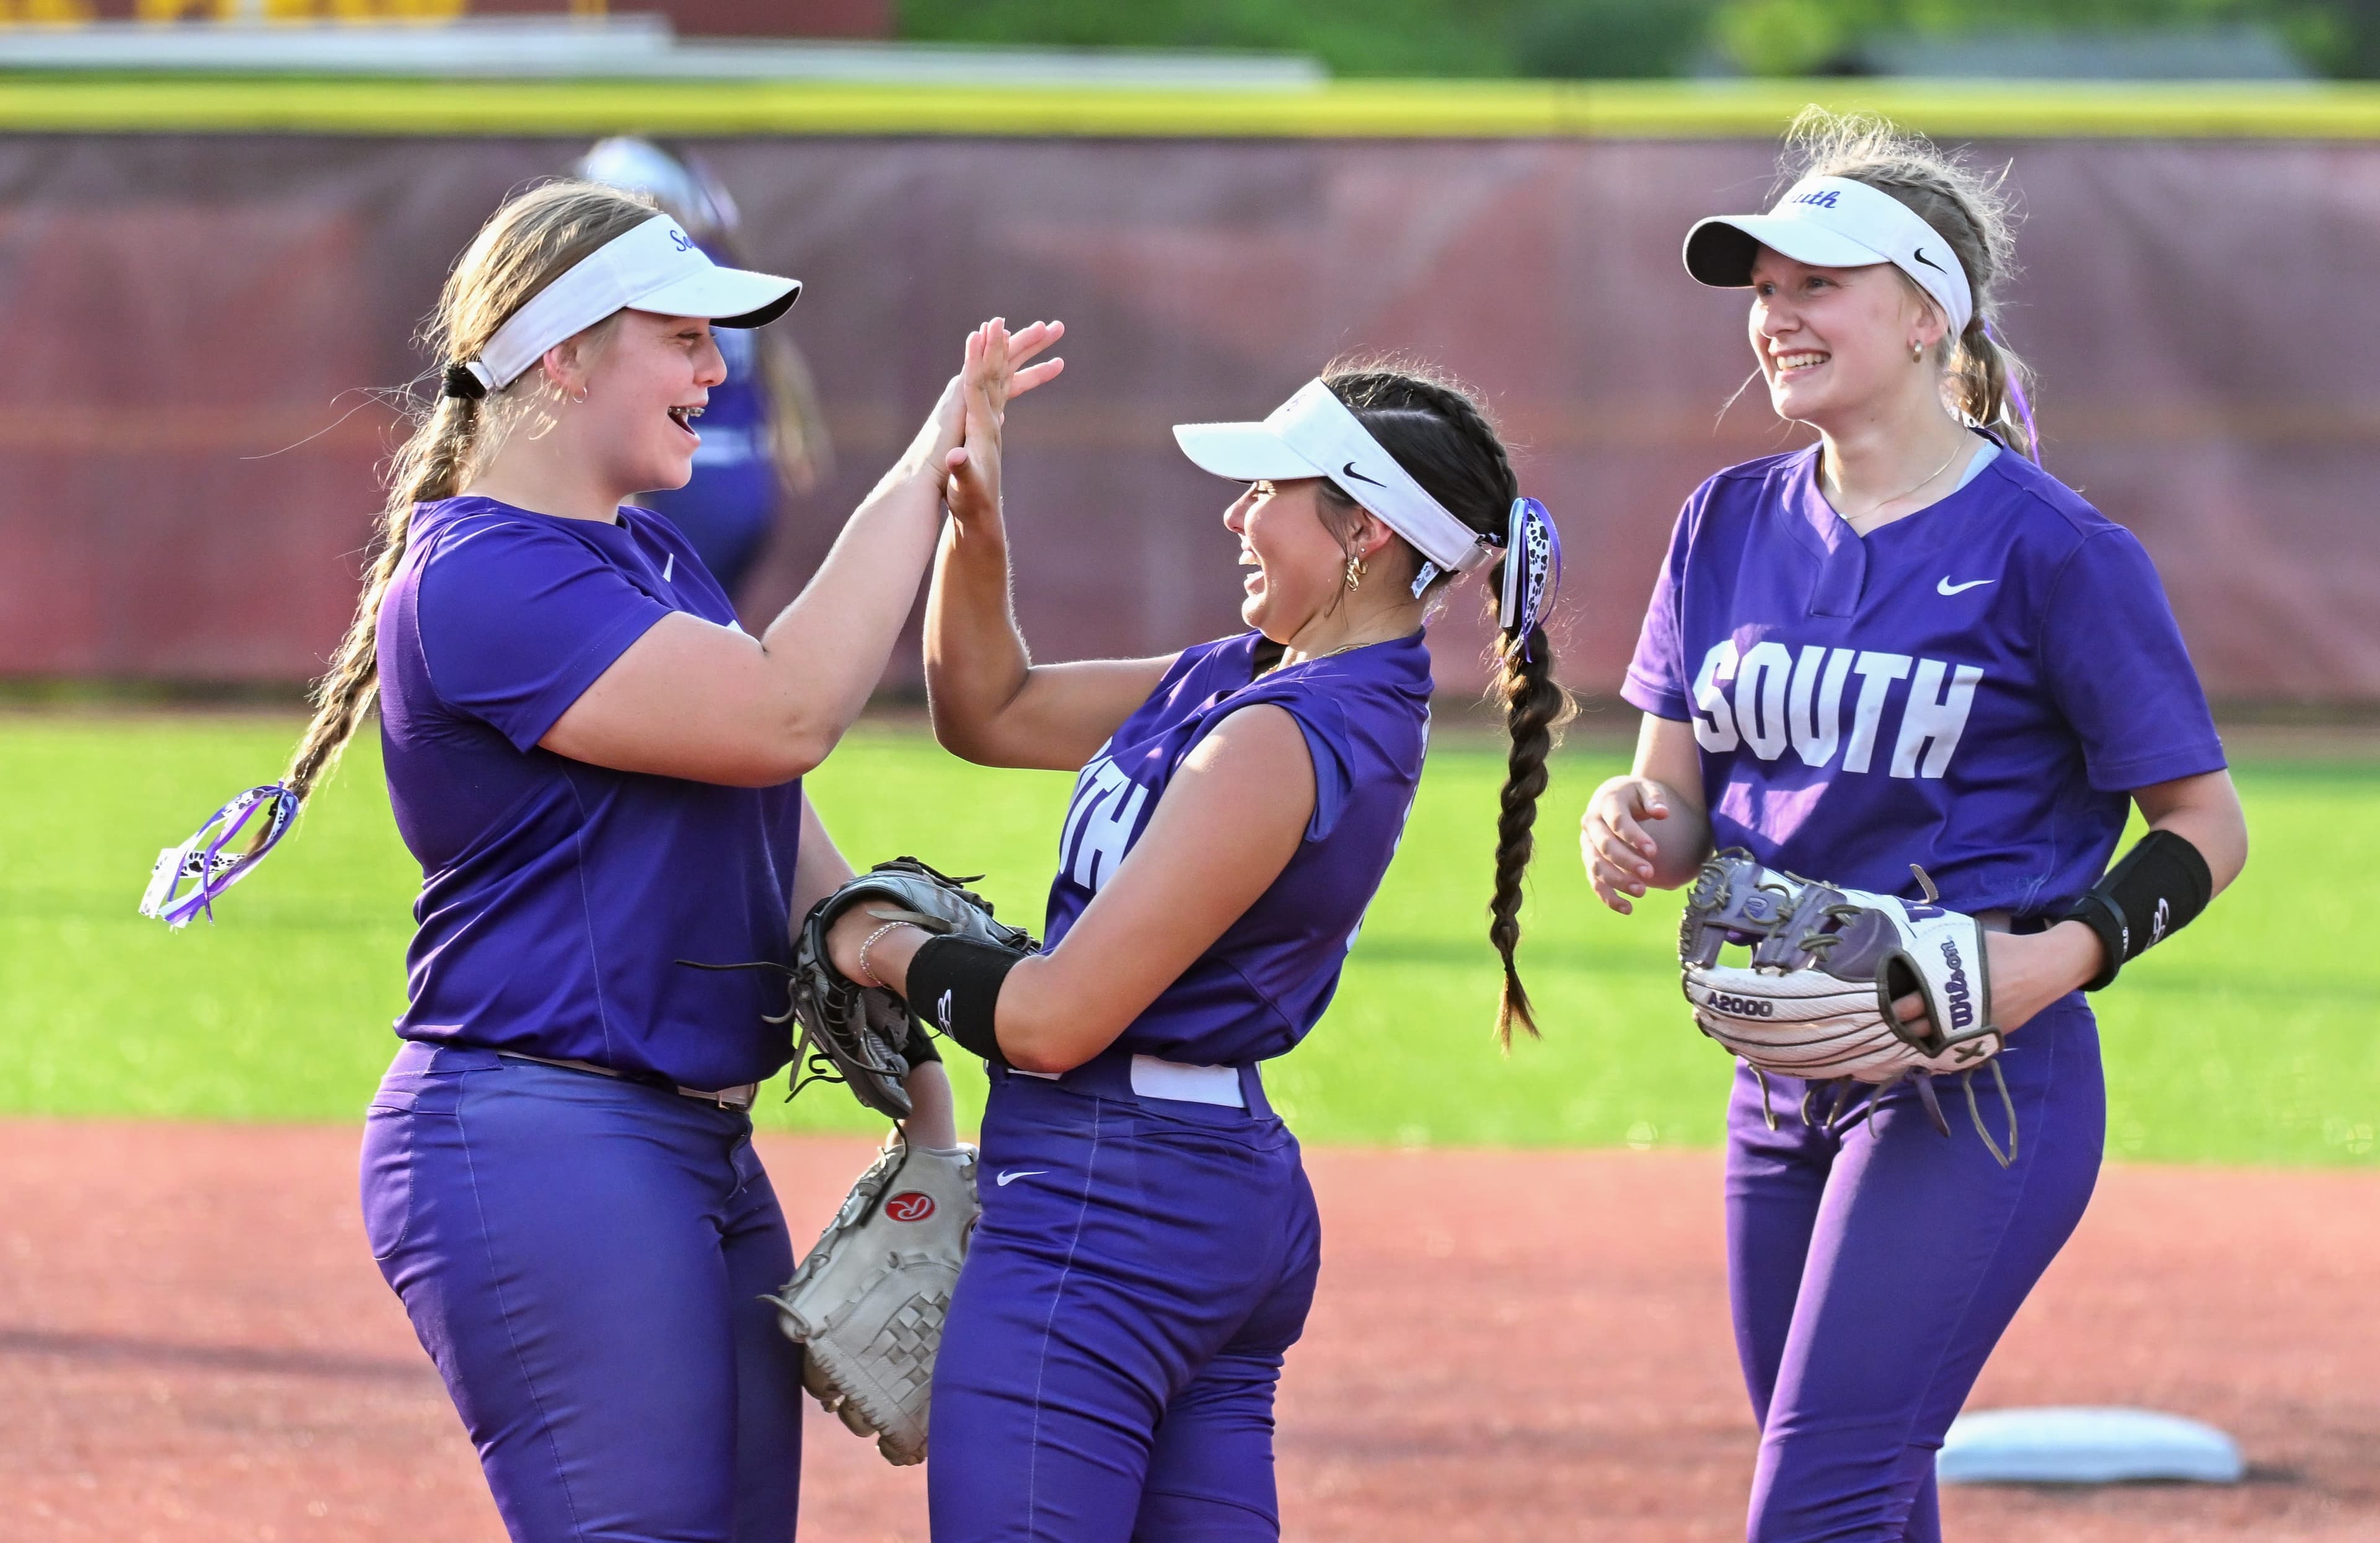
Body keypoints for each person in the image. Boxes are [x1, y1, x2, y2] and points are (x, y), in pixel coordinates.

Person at [252, 179, 1058, 1541]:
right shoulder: (480, 576)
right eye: (681, 335)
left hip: (685, 1142)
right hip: (540, 1138)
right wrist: (930, 463)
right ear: (561, 355)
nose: (716, 365)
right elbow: (785, 714)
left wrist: (920, 1060)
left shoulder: (649, 560)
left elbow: (778, 816)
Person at [1580, 112, 2249, 1541]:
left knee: (1812, 1505)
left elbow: (2205, 825)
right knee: (1865, 1499)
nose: (1775, 315)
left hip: (1975, 1080)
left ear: (1922, 310)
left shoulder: (2052, 550)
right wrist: (1629, 824)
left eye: (1815, 283)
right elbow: (1677, 805)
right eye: (1761, 290)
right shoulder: (1721, 524)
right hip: (1776, 1085)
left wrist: (2055, 957)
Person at [817, 324, 1571, 1541]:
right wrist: (980, 519)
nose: (1238, 513)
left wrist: (878, 943)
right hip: (1190, 1185)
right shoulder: (1257, 679)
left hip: (1108, 1202)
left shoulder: (1284, 733)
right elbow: (988, 706)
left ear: (1367, 530)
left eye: (1272, 488)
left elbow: (1054, 1022)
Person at [577, 136, 832, 601]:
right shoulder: (722, 265)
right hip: (747, 483)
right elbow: (777, 368)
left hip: (686, 493)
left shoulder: (660, 275)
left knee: (662, 643)